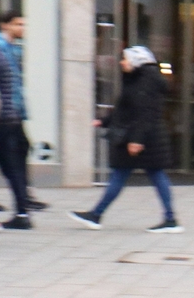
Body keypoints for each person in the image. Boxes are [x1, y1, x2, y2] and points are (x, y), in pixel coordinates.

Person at [71, 46, 181, 233]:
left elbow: (144, 114)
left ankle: (97, 215)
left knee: (131, 174)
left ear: (137, 61)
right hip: (145, 135)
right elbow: (126, 110)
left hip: (144, 137)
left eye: (125, 59)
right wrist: (104, 121)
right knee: (145, 174)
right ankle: (169, 219)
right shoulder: (138, 79)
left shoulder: (145, 81)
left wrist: (136, 140)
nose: (122, 63)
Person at [0, 14, 36, 225]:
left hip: (3, 116)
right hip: (7, 115)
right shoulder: (2, 48)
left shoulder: (8, 49)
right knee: (8, 165)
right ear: (5, 25)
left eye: (24, 23)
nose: (23, 27)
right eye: (18, 24)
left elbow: (10, 86)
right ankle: (19, 210)